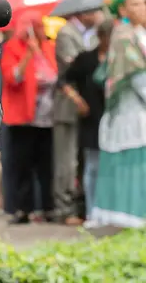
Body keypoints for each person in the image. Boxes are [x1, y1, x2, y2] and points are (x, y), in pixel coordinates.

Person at [92, 0, 146, 228]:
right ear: (123, 10)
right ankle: (131, 217)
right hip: (130, 110)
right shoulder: (124, 35)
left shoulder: (138, 32)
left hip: (138, 110)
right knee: (131, 164)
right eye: (136, 4)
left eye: (144, 2)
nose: (143, 8)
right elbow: (138, 78)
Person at [0, 12, 56, 224]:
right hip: (22, 118)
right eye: (37, 25)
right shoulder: (13, 48)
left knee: (45, 164)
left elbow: (53, 75)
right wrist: (28, 56)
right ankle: (23, 209)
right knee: (22, 165)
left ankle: (47, 207)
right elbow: (12, 78)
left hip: (46, 118)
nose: (41, 29)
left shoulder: (48, 47)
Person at [58, 19, 114, 222]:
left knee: (109, 167)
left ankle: (107, 210)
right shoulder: (87, 59)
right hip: (91, 118)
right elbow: (63, 80)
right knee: (91, 165)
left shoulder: (116, 59)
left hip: (112, 119)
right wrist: (77, 100)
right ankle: (90, 210)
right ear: (100, 37)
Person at [52, 7, 102, 224]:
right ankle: (65, 208)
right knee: (66, 161)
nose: (99, 15)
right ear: (83, 12)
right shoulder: (66, 33)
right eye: (96, 11)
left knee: (81, 160)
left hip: (87, 108)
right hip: (67, 107)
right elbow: (73, 66)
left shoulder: (88, 36)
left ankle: (80, 205)